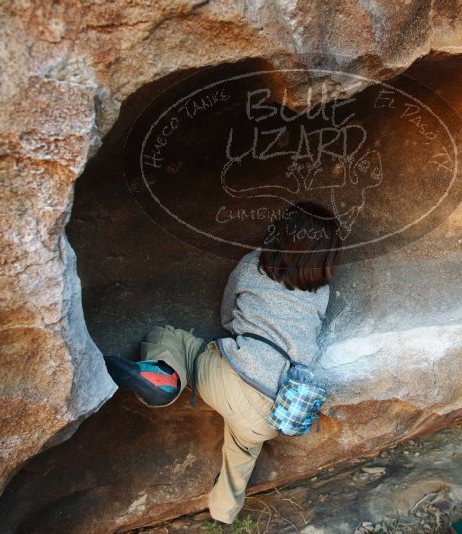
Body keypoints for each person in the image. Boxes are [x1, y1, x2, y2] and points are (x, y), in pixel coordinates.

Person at [103, 201, 342, 524]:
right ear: (327, 257)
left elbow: (227, 315)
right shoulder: (321, 291)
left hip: (233, 379)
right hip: (277, 411)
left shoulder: (254, 265)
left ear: (281, 233)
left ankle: (166, 374)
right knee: (241, 455)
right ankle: (223, 514)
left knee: (174, 339)